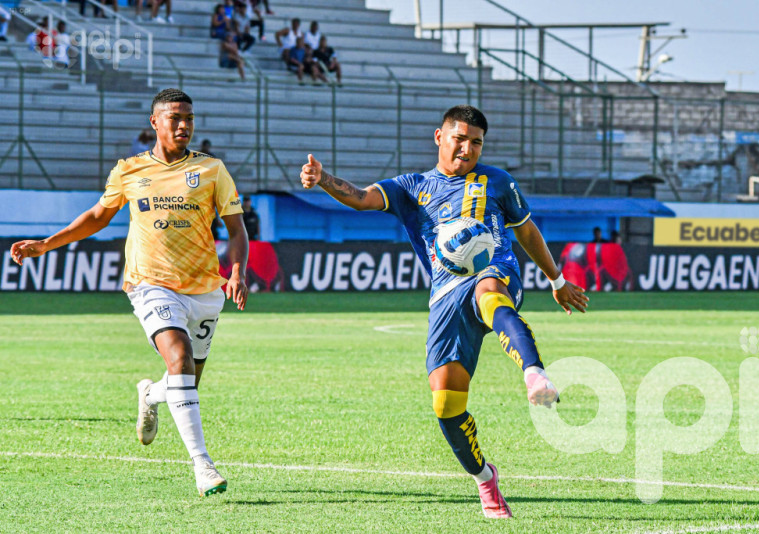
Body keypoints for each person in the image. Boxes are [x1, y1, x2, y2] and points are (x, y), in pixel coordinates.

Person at [299, 105, 588, 518]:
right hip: (445, 296)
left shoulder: (498, 182)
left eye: (477, 142)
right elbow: (361, 198)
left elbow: (525, 230)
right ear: (439, 137)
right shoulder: (410, 186)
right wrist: (323, 179)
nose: (468, 148)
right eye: (460, 138)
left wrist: (556, 281)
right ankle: (485, 478)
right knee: (446, 405)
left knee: (491, 294)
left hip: (494, 268)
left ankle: (534, 372)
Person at [10, 89, 249, 497]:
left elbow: (237, 227)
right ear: (154, 123)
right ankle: (203, 465)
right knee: (178, 357)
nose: (183, 125)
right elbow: (98, 217)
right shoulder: (129, 171)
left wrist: (238, 270)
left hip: (205, 287)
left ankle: (150, 394)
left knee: (185, 378)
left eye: (188, 118)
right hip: (150, 282)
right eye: (174, 118)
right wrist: (46, 244)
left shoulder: (211, 170)